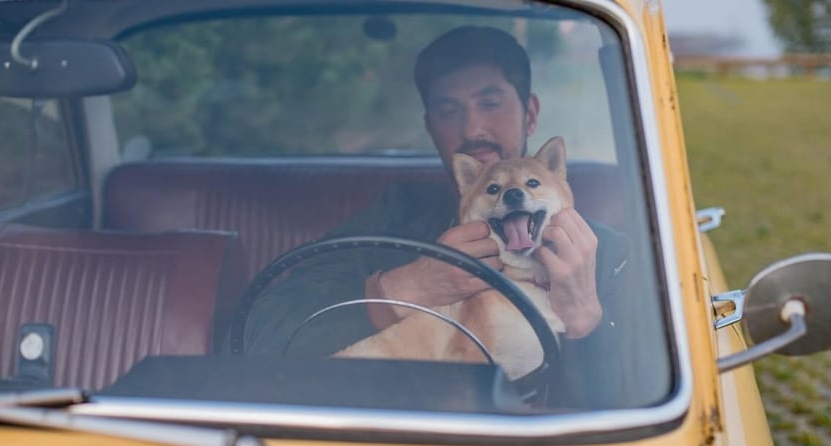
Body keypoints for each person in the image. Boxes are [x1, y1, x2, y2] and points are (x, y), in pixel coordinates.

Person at [242, 26, 627, 403]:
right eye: (448, 111)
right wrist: (405, 288)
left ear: (529, 114)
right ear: (431, 128)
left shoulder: (603, 252)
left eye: (490, 103)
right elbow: (260, 336)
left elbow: (645, 404)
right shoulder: (391, 221)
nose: (472, 127)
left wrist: (585, 320)